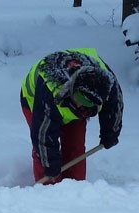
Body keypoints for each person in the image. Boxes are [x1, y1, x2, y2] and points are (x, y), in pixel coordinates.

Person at [20, 48, 123, 184]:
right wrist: (50, 165)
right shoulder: (51, 87)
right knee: (45, 155)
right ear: (73, 87)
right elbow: (42, 136)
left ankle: (76, 188)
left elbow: (114, 107)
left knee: (75, 146)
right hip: (35, 102)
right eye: (80, 98)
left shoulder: (108, 85)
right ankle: (46, 192)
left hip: (69, 107)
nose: (81, 105)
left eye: (86, 103)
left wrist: (111, 132)